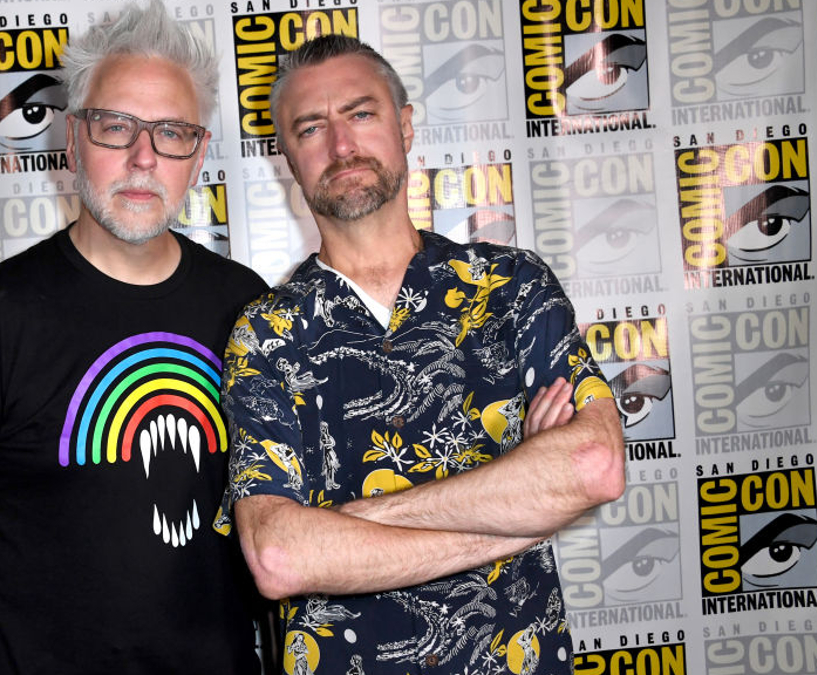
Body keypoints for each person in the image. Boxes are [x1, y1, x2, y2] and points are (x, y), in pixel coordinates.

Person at [220, 35, 625, 674]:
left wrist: (350, 524)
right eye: (310, 128)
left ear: (405, 126)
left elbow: (593, 464)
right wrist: (516, 514)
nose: (341, 144)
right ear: (288, 159)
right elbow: (282, 557)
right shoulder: (266, 335)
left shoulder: (511, 285)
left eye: (360, 113)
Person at [0, 2, 268, 673]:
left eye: (172, 132)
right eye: (116, 125)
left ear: (199, 151)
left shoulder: (247, 305)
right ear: (73, 139)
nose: (143, 156)